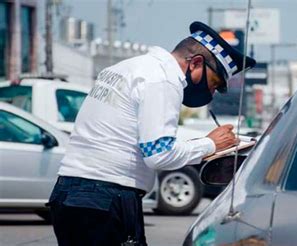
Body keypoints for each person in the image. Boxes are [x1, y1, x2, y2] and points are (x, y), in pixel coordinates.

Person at [47, 21, 256, 246]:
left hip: (71, 193)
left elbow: (132, 138)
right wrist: (210, 144)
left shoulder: (128, 67)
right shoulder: (163, 79)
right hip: (105, 199)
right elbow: (159, 154)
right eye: (214, 84)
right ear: (196, 63)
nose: (211, 93)